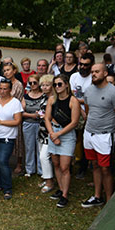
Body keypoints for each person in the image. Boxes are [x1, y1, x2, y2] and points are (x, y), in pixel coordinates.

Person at [81, 64, 115, 208]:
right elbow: (88, 111)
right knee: (94, 165)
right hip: (89, 133)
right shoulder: (88, 91)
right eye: (92, 71)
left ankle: (109, 201)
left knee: (105, 168)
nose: (93, 74)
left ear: (105, 73)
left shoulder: (114, 93)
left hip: (105, 136)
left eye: (97, 71)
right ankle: (97, 196)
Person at [42, 74, 80, 207]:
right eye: (55, 85)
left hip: (67, 135)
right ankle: (61, 188)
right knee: (56, 163)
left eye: (59, 84)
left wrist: (58, 134)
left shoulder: (73, 101)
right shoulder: (52, 99)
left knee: (65, 167)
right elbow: (47, 118)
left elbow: (74, 122)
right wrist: (52, 134)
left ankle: (65, 195)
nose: (57, 87)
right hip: (53, 132)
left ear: (66, 85)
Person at [21, 73, 46, 178]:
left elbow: (46, 109)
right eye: (30, 83)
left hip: (41, 124)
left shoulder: (44, 96)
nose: (32, 85)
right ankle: (30, 169)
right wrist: (33, 115)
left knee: (40, 148)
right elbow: (21, 112)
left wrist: (39, 115)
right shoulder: (25, 96)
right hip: (28, 124)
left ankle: (41, 170)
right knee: (29, 147)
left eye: (34, 83)